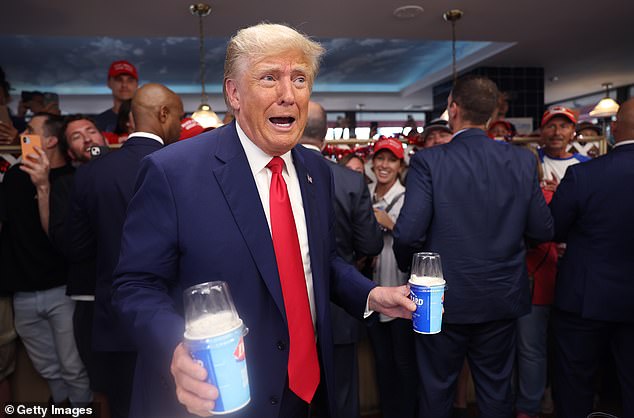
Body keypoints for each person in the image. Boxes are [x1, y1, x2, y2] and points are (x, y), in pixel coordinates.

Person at [111, 23, 415, 418]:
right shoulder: (173, 172)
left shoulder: (316, 172)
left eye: (300, 79)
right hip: (219, 395)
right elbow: (135, 285)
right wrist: (174, 348)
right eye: (270, 77)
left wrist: (370, 295)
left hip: (306, 394)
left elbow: (320, 261)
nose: (288, 95)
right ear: (234, 93)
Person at [393, 75, 554, 418]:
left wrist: (415, 272)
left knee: (436, 392)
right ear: (494, 112)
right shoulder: (522, 161)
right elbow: (542, 229)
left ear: (453, 109)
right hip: (500, 296)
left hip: (441, 298)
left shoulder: (430, 161)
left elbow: (407, 234)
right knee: (496, 393)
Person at [64, 83, 184, 418]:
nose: (180, 122)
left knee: (119, 407)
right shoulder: (182, 167)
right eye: (179, 114)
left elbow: (77, 248)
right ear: (163, 114)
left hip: (113, 320)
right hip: (171, 320)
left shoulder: (92, 173)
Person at [549, 98, 634, 418]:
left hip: (585, 298)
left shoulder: (583, 175)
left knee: (574, 385)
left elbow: (553, 229)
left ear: (613, 130)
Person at [0, 112, 92, 407]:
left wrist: (43, 185)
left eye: (29, 130)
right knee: (49, 369)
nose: (22, 135)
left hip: (61, 291)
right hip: (23, 293)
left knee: (73, 368)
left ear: (50, 140)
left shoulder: (74, 180)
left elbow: (58, 236)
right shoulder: (14, 177)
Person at [299, 101, 383, 418]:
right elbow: (371, 242)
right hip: (341, 306)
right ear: (326, 135)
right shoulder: (349, 181)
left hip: (293, 310)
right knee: (343, 397)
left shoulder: (276, 175)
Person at [368, 136, 419, 418]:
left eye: (391, 160)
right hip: (371, 291)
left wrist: (392, 224)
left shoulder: (408, 197)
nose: (384, 165)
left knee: (403, 362)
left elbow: (414, 240)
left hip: (399, 290)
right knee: (382, 361)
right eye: (380, 158)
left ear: (400, 166)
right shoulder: (364, 194)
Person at [538, 106, 590, 185]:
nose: (557, 132)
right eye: (551, 126)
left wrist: (561, 191)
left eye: (563, 126)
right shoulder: (531, 160)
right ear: (541, 132)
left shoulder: (585, 163)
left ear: (572, 133)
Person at [94, 60, 139, 132]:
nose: (124, 85)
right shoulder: (97, 123)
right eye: (119, 80)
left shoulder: (148, 120)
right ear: (109, 83)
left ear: (136, 84)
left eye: (130, 80)